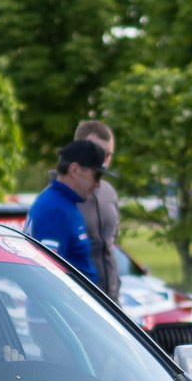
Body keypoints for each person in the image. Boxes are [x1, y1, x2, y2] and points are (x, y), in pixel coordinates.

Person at [23, 139, 105, 284]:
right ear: (74, 170)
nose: (98, 184)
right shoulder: (56, 209)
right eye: (96, 176)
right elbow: (48, 275)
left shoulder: (61, 203)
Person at [73, 119, 121, 301]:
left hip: (110, 306)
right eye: (99, 153)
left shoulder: (109, 192)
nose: (104, 161)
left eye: (109, 155)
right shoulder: (60, 198)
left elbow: (110, 246)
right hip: (75, 307)